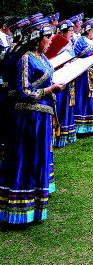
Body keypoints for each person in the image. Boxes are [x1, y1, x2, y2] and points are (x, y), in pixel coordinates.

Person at [0, 20, 65, 224]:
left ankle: (36, 208)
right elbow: (24, 91)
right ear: (36, 40)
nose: (50, 41)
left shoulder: (42, 58)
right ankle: (20, 210)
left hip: (41, 118)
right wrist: (49, 90)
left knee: (39, 159)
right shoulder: (26, 58)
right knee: (25, 159)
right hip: (28, 119)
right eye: (47, 37)